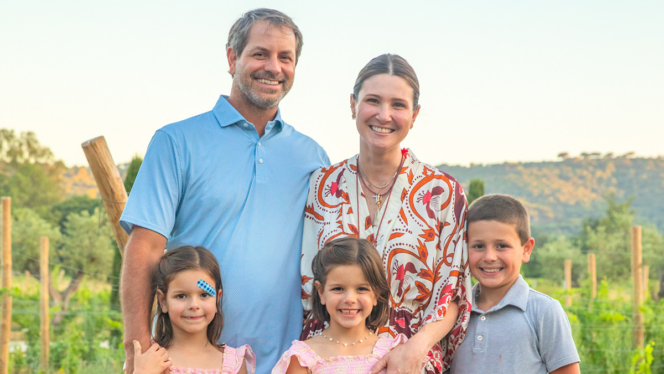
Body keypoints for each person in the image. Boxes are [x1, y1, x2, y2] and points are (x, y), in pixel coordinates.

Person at [119, 8, 329, 374]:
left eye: (286, 58)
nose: (274, 67)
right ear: (232, 58)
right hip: (191, 361)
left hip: (287, 361)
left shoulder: (312, 157)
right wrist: (137, 351)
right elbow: (146, 247)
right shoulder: (176, 142)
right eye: (260, 54)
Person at [300, 54, 471, 374]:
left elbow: (453, 294)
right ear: (352, 105)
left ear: (415, 114)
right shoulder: (321, 185)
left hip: (408, 358)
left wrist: (414, 350)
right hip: (331, 356)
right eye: (373, 101)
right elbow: (308, 286)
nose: (384, 115)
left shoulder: (444, 193)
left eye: (398, 105)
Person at [450, 194, 580, 374]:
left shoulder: (544, 311)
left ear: (526, 249)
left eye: (502, 246)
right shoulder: (455, 313)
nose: (489, 257)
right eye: (478, 246)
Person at [273, 238, 409, 374]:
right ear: (321, 292)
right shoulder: (302, 358)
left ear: (376, 294)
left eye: (362, 289)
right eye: (338, 288)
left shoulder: (393, 352)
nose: (350, 299)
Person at [133, 246, 255, 374]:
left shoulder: (235, 364)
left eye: (204, 295)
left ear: (217, 299)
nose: (194, 305)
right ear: (163, 301)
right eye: (181, 296)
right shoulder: (151, 357)